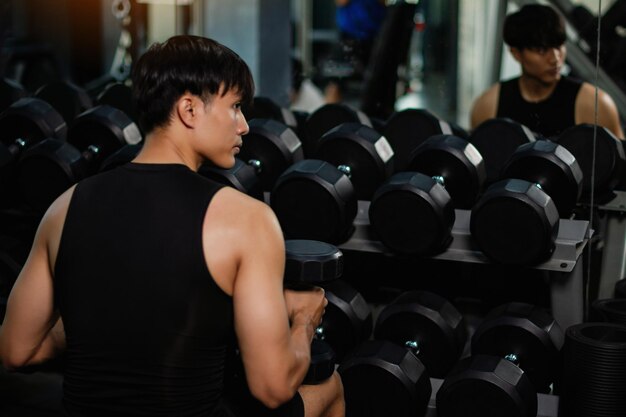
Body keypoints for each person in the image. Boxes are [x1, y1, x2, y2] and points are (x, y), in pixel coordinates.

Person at [0, 35, 344, 417]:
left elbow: (17, 350)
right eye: (234, 107)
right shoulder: (247, 219)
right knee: (329, 386)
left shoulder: (63, 208)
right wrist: (303, 321)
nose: (245, 126)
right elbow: (273, 387)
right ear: (189, 110)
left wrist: (102, 314)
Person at [470, 4, 624, 139]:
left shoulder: (594, 104)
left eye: (558, 46)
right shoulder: (488, 105)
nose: (555, 59)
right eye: (542, 50)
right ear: (516, 53)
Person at [323, 0, 387, 103]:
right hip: (349, 37)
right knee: (335, 83)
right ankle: (331, 115)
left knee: (377, 84)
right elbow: (341, 1)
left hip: (374, 38)